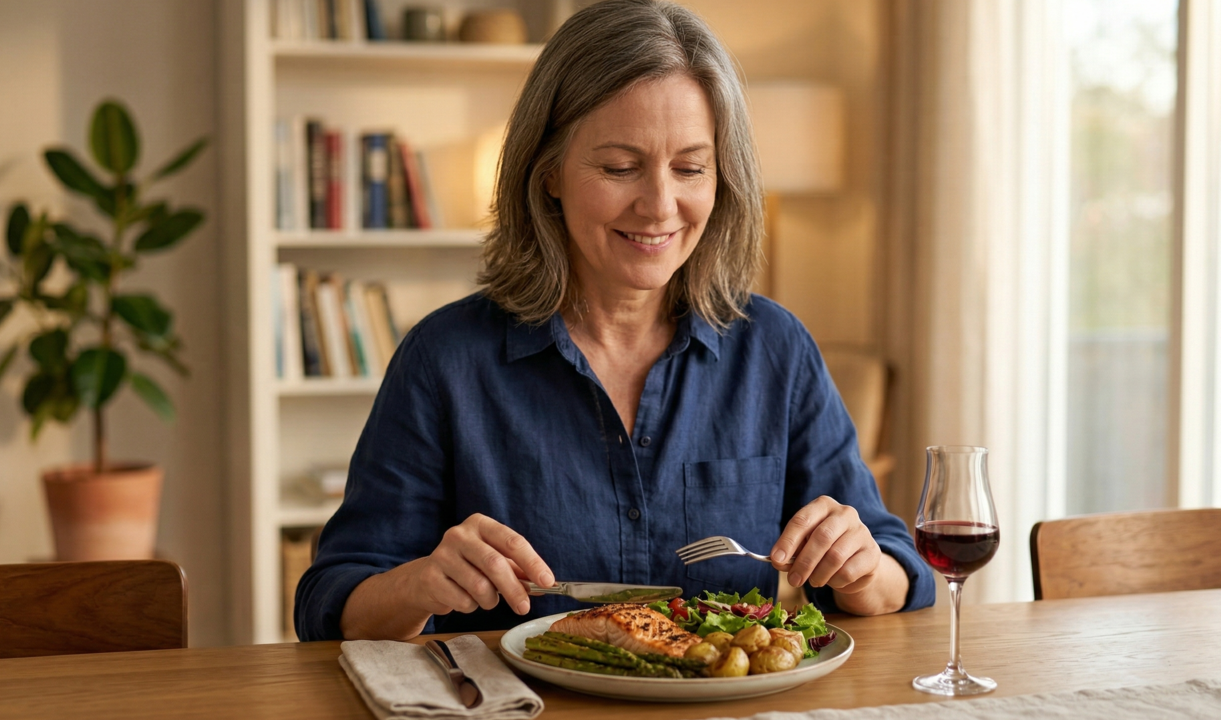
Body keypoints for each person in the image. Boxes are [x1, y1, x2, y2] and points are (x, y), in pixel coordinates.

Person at [296, 0, 935, 642]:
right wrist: (422, 583)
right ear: (548, 172)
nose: (659, 205)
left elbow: (899, 574)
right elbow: (331, 603)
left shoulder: (776, 349)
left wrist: (861, 568)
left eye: (690, 168)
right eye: (619, 168)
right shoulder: (445, 358)